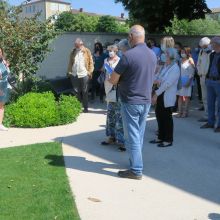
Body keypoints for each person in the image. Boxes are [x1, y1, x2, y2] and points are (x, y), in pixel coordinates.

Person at [109, 25, 157, 180]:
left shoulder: (128, 56)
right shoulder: (152, 55)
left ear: (131, 36)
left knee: (132, 136)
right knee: (139, 134)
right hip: (145, 100)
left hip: (131, 100)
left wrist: (119, 79)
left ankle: (136, 169)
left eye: (128, 36)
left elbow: (113, 79)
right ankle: (135, 163)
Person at [150, 48, 180, 147]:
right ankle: (160, 137)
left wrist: (156, 93)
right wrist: (154, 80)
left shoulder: (175, 68)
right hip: (160, 92)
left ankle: (168, 139)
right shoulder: (165, 66)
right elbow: (158, 76)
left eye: (166, 54)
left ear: (171, 56)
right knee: (159, 115)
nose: (163, 55)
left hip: (165, 94)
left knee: (166, 117)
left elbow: (167, 83)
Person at [101, 45, 125, 151]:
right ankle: (111, 137)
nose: (110, 52)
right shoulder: (106, 60)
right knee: (110, 115)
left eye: (112, 50)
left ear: (116, 51)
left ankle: (121, 140)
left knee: (119, 116)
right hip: (109, 89)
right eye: (109, 51)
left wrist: (112, 71)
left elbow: (121, 75)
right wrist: (106, 67)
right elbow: (103, 71)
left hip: (117, 90)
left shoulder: (120, 61)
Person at [67, 38, 94, 113]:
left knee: (85, 91)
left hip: (84, 74)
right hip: (74, 74)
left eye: (77, 45)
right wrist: (69, 72)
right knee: (76, 92)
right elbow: (70, 62)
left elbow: (91, 62)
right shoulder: (73, 51)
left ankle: (85, 107)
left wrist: (89, 72)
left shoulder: (87, 51)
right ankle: (78, 107)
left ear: (81, 44)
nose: (75, 46)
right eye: (75, 45)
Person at [201, 37, 220, 132]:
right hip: (210, 81)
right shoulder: (212, 54)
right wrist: (207, 77)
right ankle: (210, 122)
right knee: (210, 103)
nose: (211, 45)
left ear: (217, 44)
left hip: (218, 82)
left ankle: (219, 125)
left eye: (213, 43)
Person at [176, 47, 195, 118]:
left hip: (187, 80)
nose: (182, 53)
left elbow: (192, 72)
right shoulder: (180, 60)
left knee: (186, 97)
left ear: (187, 52)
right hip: (180, 80)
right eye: (181, 52)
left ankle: (185, 112)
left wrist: (189, 82)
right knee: (180, 96)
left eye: (183, 52)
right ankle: (179, 112)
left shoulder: (190, 60)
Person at [197, 37, 212, 122]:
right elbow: (198, 63)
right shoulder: (201, 51)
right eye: (202, 46)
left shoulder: (213, 52)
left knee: (212, 98)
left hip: (209, 77)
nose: (203, 48)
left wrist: (206, 73)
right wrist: (199, 72)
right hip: (202, 77)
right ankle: (206, 115)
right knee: (204, 97)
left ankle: (212, 116)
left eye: (205, 46)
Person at [0, 47, 10, 131]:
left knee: (1, 106)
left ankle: (0, 124)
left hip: (3, 85)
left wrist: (7, 66)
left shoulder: (3, 61)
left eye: (0, 52)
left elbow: (7, 73)